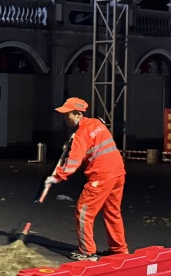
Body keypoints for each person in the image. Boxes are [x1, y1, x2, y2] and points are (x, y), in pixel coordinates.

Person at [45, 97, 128, 261]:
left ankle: (87, 252)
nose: (65, 119)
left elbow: (73, 163)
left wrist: (56, 177)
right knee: (112, 212)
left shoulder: (81, 134)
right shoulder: (97, 124)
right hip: (118, 173)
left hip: (101, 177)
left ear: (78, 114)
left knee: (84, 212)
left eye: (67, 115)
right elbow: (93, 149)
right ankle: (119, 249)